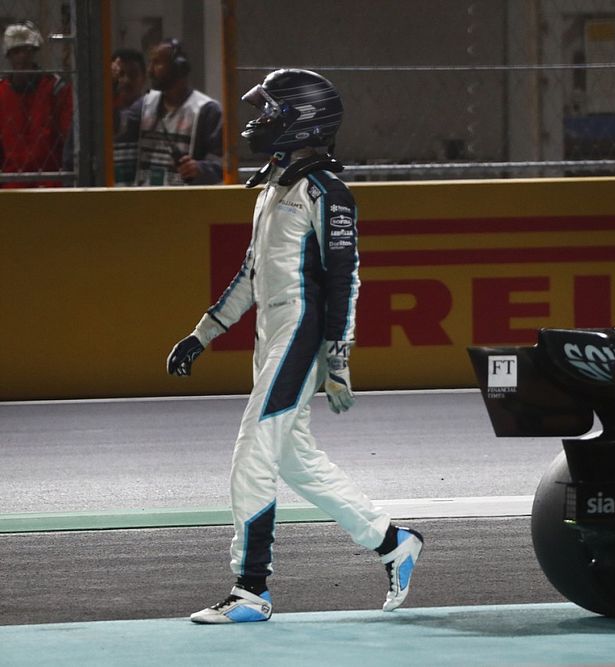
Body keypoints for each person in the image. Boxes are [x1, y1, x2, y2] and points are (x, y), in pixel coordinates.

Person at [166, 68, 424, 624]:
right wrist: (203, 334)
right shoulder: (273, 187)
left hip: (301, 336)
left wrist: (338, 357)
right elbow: (251, 274)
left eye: (273, 111)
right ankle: (393, 541)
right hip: (274, 336)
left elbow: (345, 279)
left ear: (303, 119)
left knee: (253, 450)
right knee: (293, 458)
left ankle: (251, 588)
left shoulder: (327, 192)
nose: (260, 121)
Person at [115, 38, 222, 186]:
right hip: (146, 201)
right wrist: (111, 87)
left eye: (157, 63)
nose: (150, 70)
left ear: (179, 68)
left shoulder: (206, 110)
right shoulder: (145, 104)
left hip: (186, 204)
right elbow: (117, 129)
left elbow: (221, 162)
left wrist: (200, 169)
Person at [0, 20, 73, 188]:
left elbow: (68, 137)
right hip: (11, 184)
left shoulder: (55, 88)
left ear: (34, 52)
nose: (22, 56)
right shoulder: (2, 93)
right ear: (9, 56)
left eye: (27, 50)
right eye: (16, 51)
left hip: (51, 181)